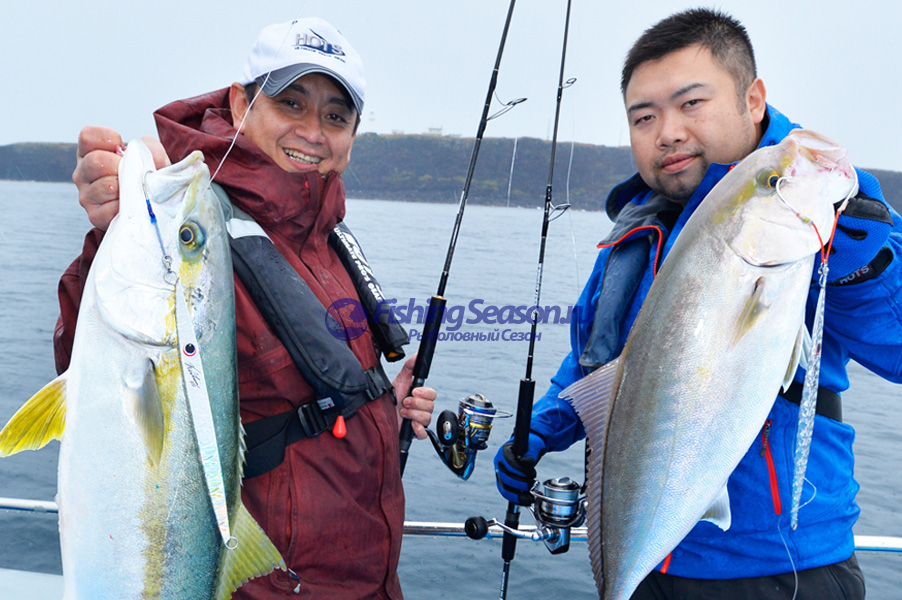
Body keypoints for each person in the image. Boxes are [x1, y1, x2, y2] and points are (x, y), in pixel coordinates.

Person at [494, 8, 902, 599]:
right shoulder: (632, 236)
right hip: (647, 564)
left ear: (753, 100)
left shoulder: (818, 209)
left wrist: (866, 266)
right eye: (644, 116)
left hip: (782, 569)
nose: (668, 132)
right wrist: (542, 428)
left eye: (691, 103)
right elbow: (597, 364)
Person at [61, 18, 436, 600]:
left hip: (371, 582)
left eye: (336, 116)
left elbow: (299, 392)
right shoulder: (195, 219)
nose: (313, 132)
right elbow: (99, 366)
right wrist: (110, 231)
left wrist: (381, 404)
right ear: (240, 104)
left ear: (353, 134)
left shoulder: (326, 239)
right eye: (291, 102)